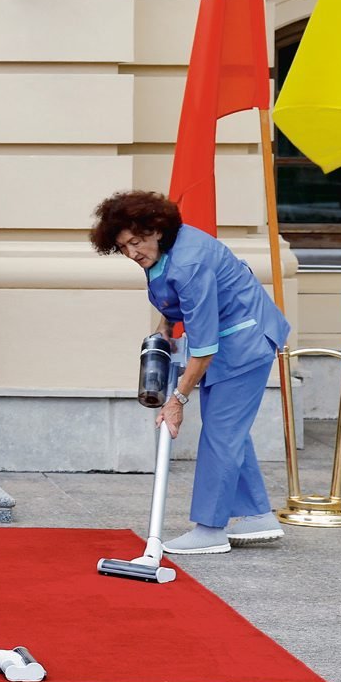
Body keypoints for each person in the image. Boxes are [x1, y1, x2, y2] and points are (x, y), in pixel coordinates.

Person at [90, 190, 291, 555]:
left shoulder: (189, 262)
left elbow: (203, 347)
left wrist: (177, 400)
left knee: (221, 434)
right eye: (122, 247)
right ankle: (258, 515)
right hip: (230, 339)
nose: (132, 253)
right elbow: (175, 299)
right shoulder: (164, 251)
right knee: (226, 430)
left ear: (156, 230)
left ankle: (211, 530)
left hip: (245, 341)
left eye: (136, 242)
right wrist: (164, 331)